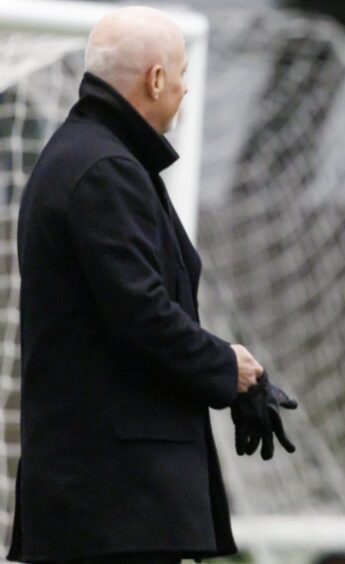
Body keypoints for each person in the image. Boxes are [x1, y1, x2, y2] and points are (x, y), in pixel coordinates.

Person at [9, 7, 295, 563]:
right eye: (181, 73)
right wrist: (228, 369)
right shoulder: (104, 169)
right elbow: (141, 316)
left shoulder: (88, 157)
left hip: (106, 504)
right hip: (116, 505)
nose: (186, 88)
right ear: (156, 79)